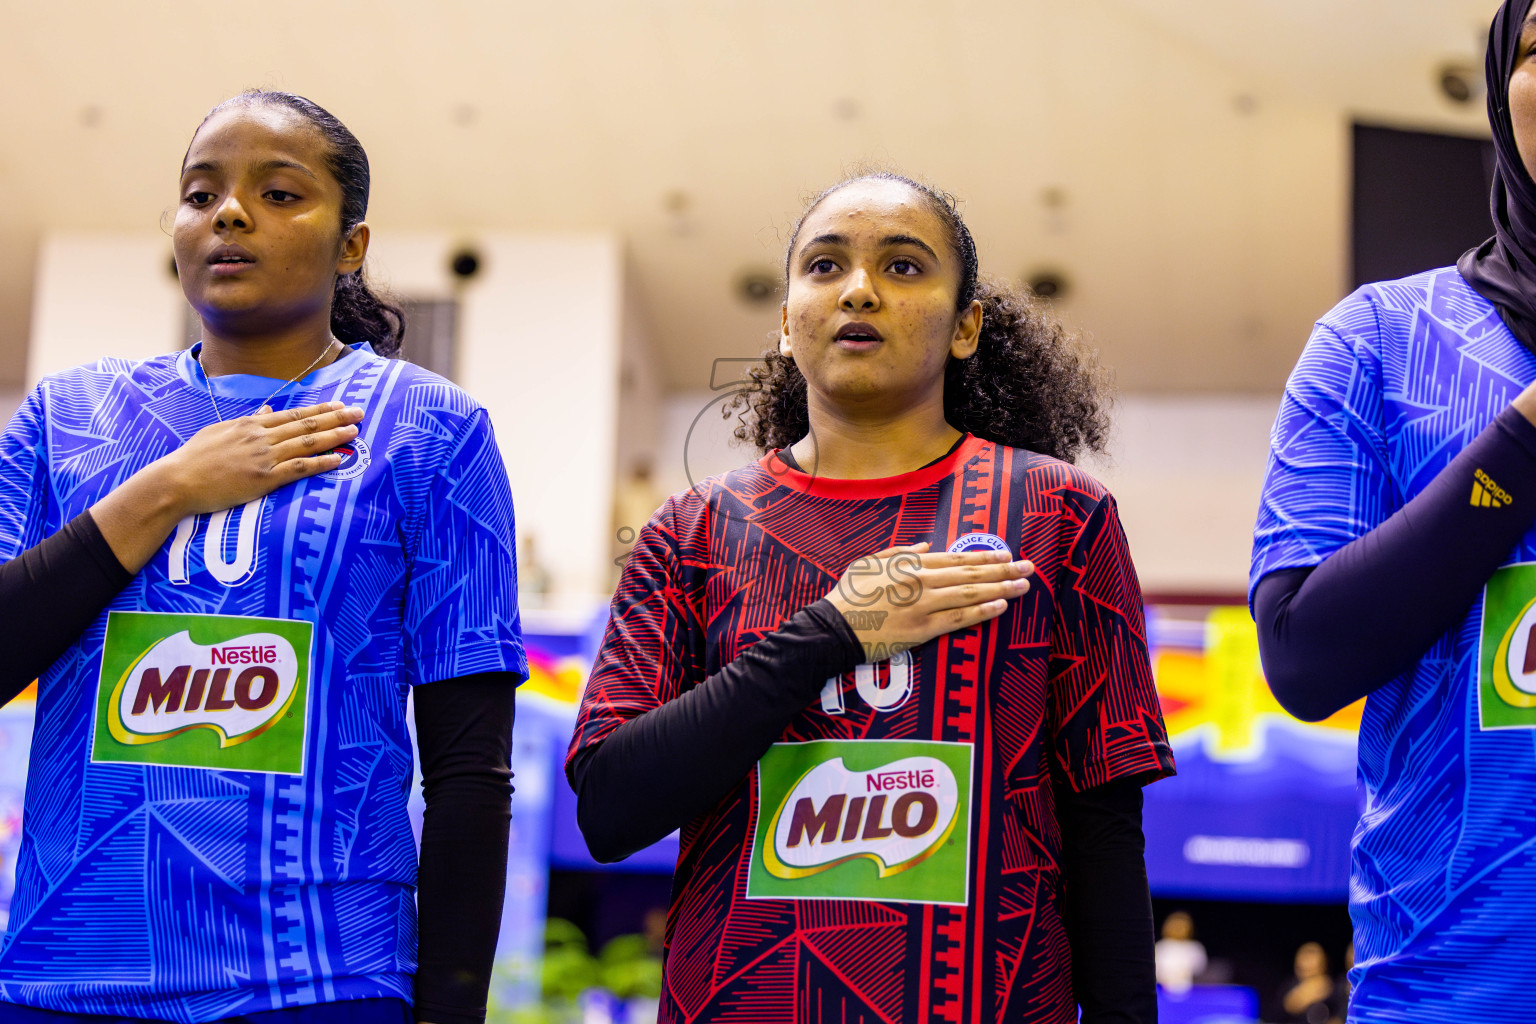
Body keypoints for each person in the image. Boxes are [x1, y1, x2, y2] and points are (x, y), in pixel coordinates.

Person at [567, 172, 1174, 1023]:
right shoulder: (695, 530)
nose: (858, 289)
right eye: (824, 266)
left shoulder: (1058, 517)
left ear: (966, 328)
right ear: (785, 322)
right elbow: (608, 807)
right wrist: (831, 633)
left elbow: (1105, 832)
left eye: (902, 267)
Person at [0, 90, 525, 1023]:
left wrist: (451, 1010)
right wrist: (165, 489)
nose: (230, 213)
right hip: (64, 973)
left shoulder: (432, 431)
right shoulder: (65, 418)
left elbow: (469, 773)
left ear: (351, 244)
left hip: (322, 980)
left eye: (280, 195)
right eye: (201, 195)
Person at [1250, 3, 1536, 1019]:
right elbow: (1303, 656)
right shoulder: (1377, 341)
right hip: (1450, 988)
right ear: (1504, 91)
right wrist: (1521, 441)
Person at [1154, 910, 1207, 996]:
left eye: (1182, 926)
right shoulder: (1160, 947)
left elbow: (1199, 971)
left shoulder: (1195, 948)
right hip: (1161, 991)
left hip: (1191, 992)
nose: (1178, 929)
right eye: (1175, 925)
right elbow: (1156, 969)